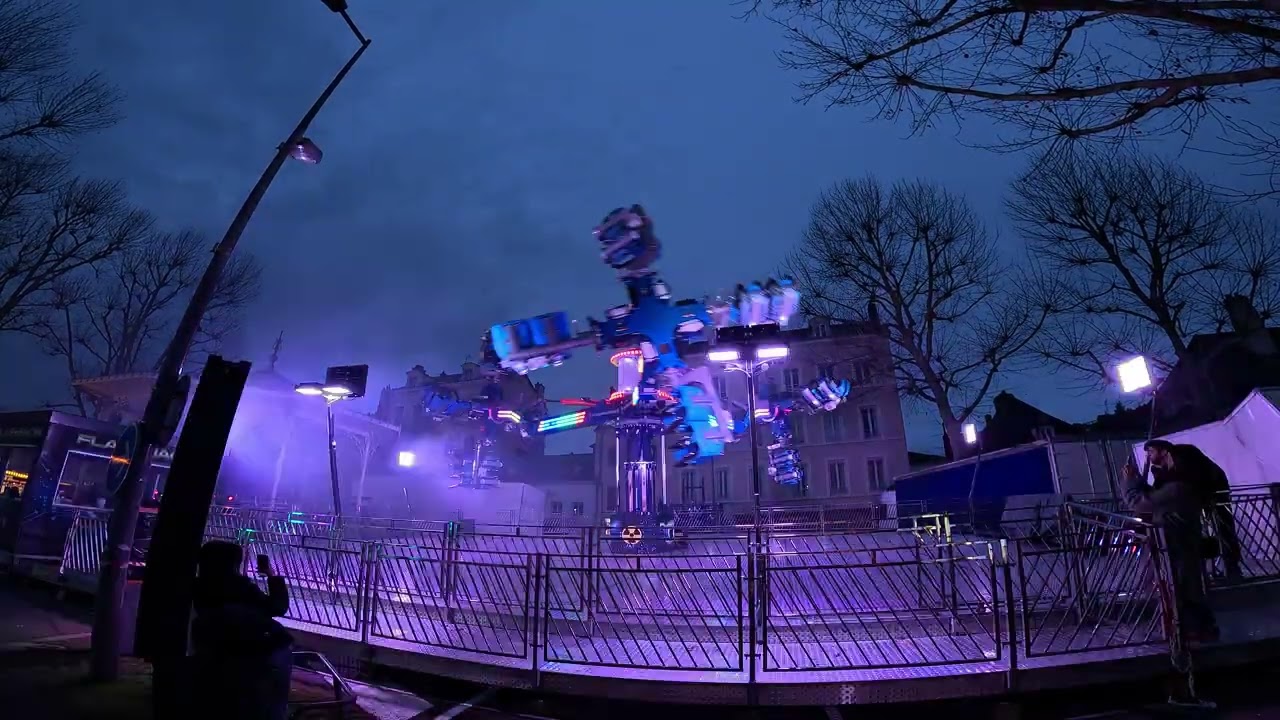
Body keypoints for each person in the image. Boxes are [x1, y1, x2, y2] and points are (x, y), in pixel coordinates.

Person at [1124, 441, 1218, 642]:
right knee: (1187, 587)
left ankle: (1188, 632)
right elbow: (1156, 497)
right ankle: (1195, 629)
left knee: (1181, 588)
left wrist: (1130, 482)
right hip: (1180, 544)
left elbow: (1140, 503)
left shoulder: (1177, 487)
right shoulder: (1183, 485)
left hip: (1174, 545)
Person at [191, 540, 293, 720]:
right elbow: (277, 607)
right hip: (255, 649)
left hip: (219, 648)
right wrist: (271, 575)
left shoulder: (198, 586)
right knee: (281, 660)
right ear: (233, 563)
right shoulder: (240, 586)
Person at [1144, 439, 1242, 581]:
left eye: (1151, 451)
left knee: (1223, 527)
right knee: (1200, 532)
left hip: (1215, 492)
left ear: (1164, 451)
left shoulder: (1183, 454)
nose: (1149, 456)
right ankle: (1210, 571)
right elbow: (1159, 490)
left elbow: (1186, 478)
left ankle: (1231, 568)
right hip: (1199, 498)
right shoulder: (1164, 466)